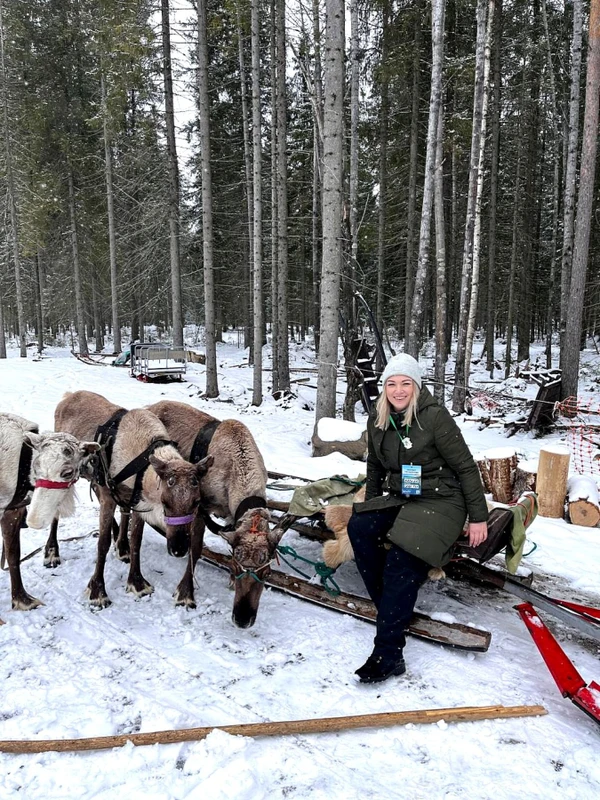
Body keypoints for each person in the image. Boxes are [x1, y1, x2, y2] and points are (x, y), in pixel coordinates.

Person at [348, 353, 488, 683]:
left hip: (443, 500)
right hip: (403, 495)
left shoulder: (435, 418)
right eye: (391, 384)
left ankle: (388, 653)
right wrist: (372, 506)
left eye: (405, 383)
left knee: (402, 556)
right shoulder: (378, 419)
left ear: (416, 386)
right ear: (384, 388)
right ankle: (391, 608)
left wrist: (478, 517)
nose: (398, 390)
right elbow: (375, 468)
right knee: (360, 526)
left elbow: (466, 468)